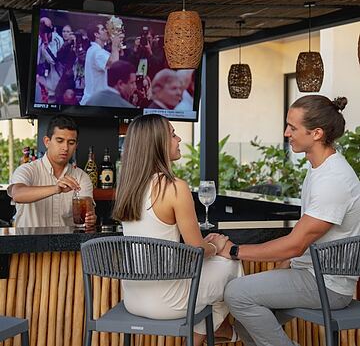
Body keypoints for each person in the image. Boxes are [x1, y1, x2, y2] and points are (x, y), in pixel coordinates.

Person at [206, 95, 360, 346]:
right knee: (247, 320)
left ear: (317, 133)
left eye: (293, 127)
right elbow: (305, 240)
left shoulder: (334, 180)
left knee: (237, 293)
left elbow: (295, 244)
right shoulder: (319, 168)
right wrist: (285, 266)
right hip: (310, 272)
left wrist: (233, 250)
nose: (286, 132)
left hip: (327, 284)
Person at [112, 114, 243, 346]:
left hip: (133, 298)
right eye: (172, 134)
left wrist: (207, 247)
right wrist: (216, 245)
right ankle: (205, 335)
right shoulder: (175, 187)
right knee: (231, 264)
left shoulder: (127, 188)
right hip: (169, 303)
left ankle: (221, 331)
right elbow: (197, 250)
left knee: (213, 273)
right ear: (157, 143)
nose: (179, 138)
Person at [8, 115, 96, 228]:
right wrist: (56, 188)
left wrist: (91, 218)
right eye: (60, 141)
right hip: (32, 244)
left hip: (68, 244)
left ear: (76, 146)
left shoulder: (81, 177)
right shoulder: (27, 170)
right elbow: (17, 194)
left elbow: (88, 208)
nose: (65, 147)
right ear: (47, 141)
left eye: (71, 142)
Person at [80, 21, 121, 105]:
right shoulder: (97, 52)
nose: (106, 31)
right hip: (94, 103)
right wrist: (115, 46)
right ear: (96, 34)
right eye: (102, 29)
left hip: (94, 101)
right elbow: (115, 65)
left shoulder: (94, 50)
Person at [37, 16, 64, 103]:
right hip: (44, 83)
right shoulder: (39, 39)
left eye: (46, 30)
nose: (43, 33)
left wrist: (46, 44)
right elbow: (37, 61)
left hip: (57, 84)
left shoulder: (58, 40)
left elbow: (53, 60)